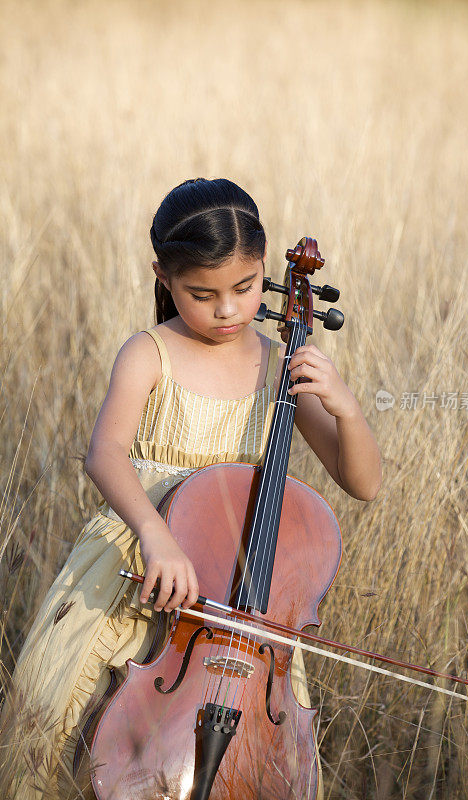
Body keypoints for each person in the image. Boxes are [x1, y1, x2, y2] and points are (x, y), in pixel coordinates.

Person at [1, 178, 382, 800]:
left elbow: (362, 483)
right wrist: (156, 533)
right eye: (202, 294)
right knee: (63, 735)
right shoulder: (150, 353)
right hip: (139, 566)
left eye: (245, 288)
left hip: (241, 602)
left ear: (266, 271)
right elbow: (106, 454)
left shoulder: (278, 367)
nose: (228, 310)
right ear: (164, 277)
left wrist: (346, 409)